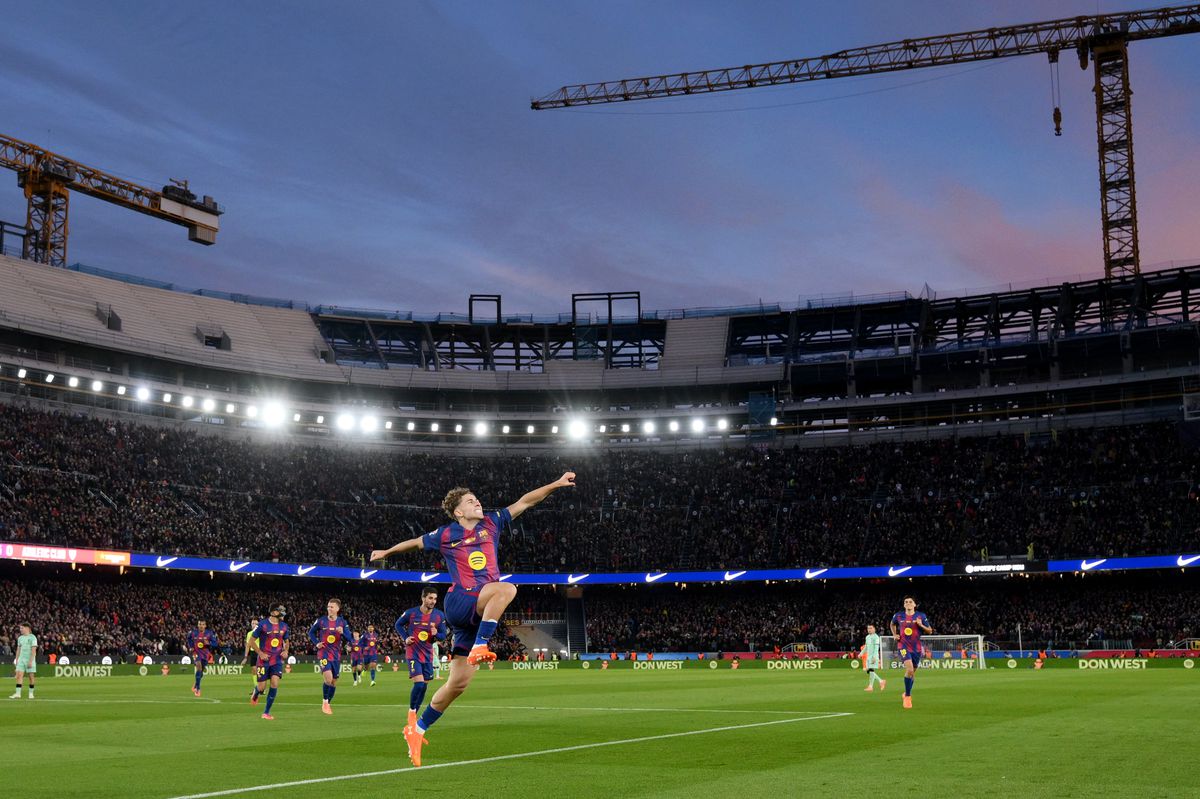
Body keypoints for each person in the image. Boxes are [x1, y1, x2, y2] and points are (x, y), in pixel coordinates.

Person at [370, 471, 576, 766]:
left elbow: (526, 502)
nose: (477, 502)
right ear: (458, 512)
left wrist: (556, 485)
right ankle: (481, 645)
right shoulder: (445, 535)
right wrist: (387, 551)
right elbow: (415, 542)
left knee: (458, 684)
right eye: (471, 500)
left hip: (477, 611)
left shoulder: (492, 522)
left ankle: (416, 729)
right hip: (460, 600)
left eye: (476, 498)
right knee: (507, 588)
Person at [396, 588, 448, 741]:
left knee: (424, 686)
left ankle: (414, 713)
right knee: (419, 685)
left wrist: (435, 634)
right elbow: (398, 625)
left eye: (435, 598)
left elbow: (443, 635)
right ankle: (412, 712)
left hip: (427, 654)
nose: (432, 601)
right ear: (423, 598)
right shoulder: (411, 613)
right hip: (413, 653)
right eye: (430, 598)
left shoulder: (439, 616)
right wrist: (405, 638)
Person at [308, 598, 352, 715]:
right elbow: (311, 632)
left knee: (333, 681)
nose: (329, 609)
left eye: (332, 607)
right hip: (324, 653)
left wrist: (343, 632)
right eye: (328, 606)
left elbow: (350, 638)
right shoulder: (321, 621)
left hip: (336, 655)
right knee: (328, 678)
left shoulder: (342, 622)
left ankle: (328, 703)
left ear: (337, 609)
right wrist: (316, 642)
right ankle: (325, 702)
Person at [890, 596, 932, 709]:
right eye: (906, 602)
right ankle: (908, 697)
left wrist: (921, 625)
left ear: (914, 604)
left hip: (916, 648)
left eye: (910, 602)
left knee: (912, 673)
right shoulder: (898, 615)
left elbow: (930, 631)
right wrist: (894, 634)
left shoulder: (921, 616)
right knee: (909, 670)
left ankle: (906, 693)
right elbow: (892, 624)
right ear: (904, 605)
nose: (908, 603)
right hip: (903, 646)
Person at [251, 604, 290, 720]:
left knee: (274, 683)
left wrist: (286, 650)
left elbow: (287, 641)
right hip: (264, 660)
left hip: (277, 660)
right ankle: (256, 692)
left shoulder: (284, 626)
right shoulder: (262, 625)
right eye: (280, 610)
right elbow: (251, 641)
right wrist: (260, 653)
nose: (283, 612)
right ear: (273, 612)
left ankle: (266, 712)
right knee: (262, 687)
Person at [185, 620, 218, 697]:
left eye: (203, 624)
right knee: (199, 667)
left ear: (205, 625)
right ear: (198, 625)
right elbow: (188, 638)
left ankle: (196, 684)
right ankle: (198, 689)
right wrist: (191, 647)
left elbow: (215, 643)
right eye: (200, 624)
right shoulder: (193, 633)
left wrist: (209, 643)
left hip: (205, 654)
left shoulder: (209, 633)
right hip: (196, 653)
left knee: (201, 671)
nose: (201, 626)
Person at [9, 623, 37, 700]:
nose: (20, 630)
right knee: (19, 675)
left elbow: (34, 650)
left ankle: (31, 693)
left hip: (30, 659)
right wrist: (17, 660)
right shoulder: (20, 638)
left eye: (22, 628)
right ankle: (18, 694)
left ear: (27, 628)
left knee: (31, 677)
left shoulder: (32, 637)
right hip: (21, 659)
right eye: (20, 628)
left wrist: (31, 661)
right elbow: (18, 650)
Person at [862, 624, 886, 693]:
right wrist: (861, 654)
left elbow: (876, 648)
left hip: (873, 657)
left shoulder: (876, 637)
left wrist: (874, 657)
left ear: (874, 629)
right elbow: (866, 647)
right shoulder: (867, 637)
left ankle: (871, 686)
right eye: (868, 628)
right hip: (868, 657)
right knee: (869, 671)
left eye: (871, 628)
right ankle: (881, 681)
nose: (869, 629)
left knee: (871, 670)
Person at [240, 617, 260, 691]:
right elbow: (248, 645)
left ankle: (261, 687)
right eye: (252, 623)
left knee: (260, 671)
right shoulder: (249, 634)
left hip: (260, 652)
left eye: (255, 623)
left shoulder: (261, 633)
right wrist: (245, 657)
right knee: (254, 670)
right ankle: (256, 687)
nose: (253, 625)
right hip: (253, 653)